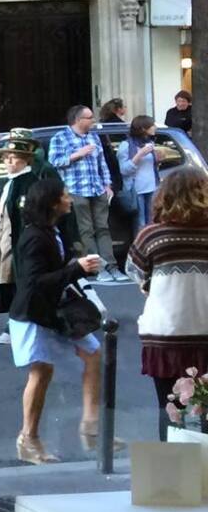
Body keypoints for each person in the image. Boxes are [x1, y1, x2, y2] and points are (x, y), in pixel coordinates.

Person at [9, 173, 105, 465]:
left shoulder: (50, 231)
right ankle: (29, 438)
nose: (69, 199)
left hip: (51, 312)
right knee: (40, 372)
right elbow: (35, 282)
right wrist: (77, 268)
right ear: (52, 203)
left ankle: (91, 427)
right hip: (34, 314)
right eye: (64, 195)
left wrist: (78, 267)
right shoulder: (36, 237)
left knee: (91, 354)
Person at [129, 166, 208, 441]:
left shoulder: (151, 236)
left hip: (165, 336)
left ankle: (172, 466)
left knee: (170, 408)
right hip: (205, 333)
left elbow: (139, 278)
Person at [48, 105, 113, 268]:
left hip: (97, 189)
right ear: (78, 120)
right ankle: (96, 268)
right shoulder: (60, 137)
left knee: (103, 228)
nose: (93, 120)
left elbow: (102, 163)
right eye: (90, 117)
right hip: (76, 190)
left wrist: (107, 184)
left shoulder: (94, 137)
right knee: (86, 230)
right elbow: (53, 162)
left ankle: (111, 265)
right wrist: (78, 154)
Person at [0, 128, 43, 318]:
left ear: (26, 160)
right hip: (2, 236)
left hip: (17, 239)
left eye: (13, 158)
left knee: (15, 277)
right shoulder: (9, 183)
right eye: (6, 158)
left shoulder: (30, 183)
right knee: (4, 276)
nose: (8, 162)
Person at [118, 115, 160, 231]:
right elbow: (124, 170)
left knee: (152, 222)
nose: (155, 127)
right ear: (143, 129)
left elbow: (151, 167)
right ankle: (140, 242)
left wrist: (158, 158)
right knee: (140, 223)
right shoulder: (126, 145)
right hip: (136, 190)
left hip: (152, 188)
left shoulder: (149, 143)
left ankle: (151, 242)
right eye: (152, 125)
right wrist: (139, 155)